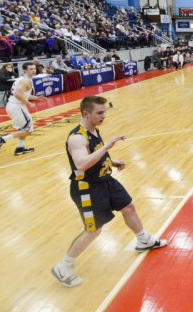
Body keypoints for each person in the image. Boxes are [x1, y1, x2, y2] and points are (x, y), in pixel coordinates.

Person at [51, 96, 167, 288]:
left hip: (105, 179)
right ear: (85, 114)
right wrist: (107, 147)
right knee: (93, 230)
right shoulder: (77, 137)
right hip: (86, 188)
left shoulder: (93, 129)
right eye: (99, 113)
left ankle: (143, 240)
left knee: (128, 206)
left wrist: (110, 161)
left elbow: (93, 154)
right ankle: (64, 266)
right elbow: (80, 163)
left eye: (104, 112)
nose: (104, 116)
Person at [0, 62, 44, 155]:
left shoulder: (22, 79)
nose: (33, 70)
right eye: (30, 69)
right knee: (28, 130)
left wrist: (37, 98)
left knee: (25, 128)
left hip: (15, 106)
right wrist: (29, 104)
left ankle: (20, 148)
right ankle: (1, 139)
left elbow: (24, 95)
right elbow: (18, 94)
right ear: (25, 70)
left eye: (34, 69)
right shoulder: (25, 81)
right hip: (16, 106)